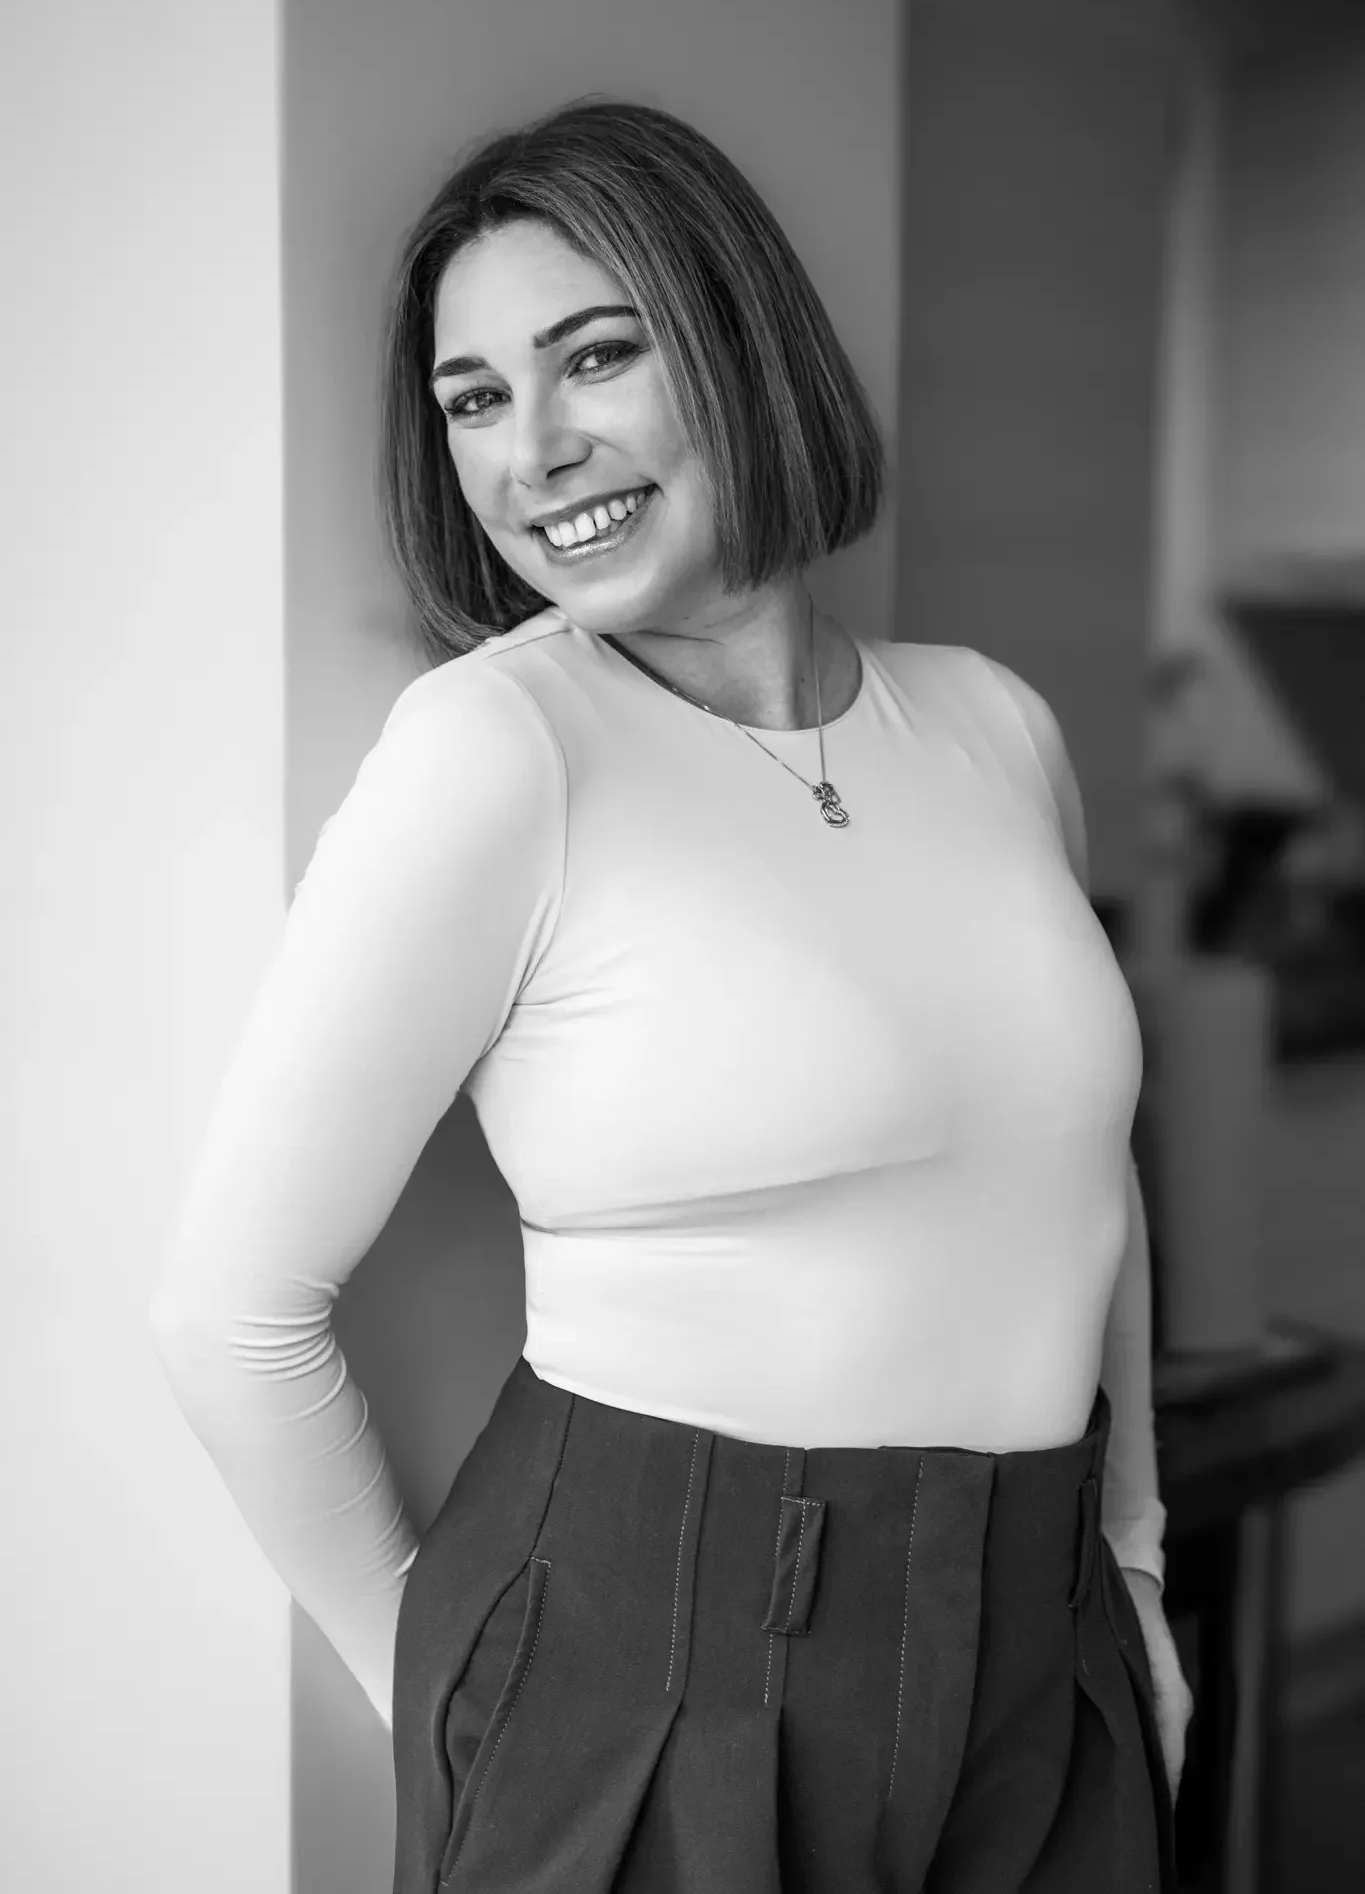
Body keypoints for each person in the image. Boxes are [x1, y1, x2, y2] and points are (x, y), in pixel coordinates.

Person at [150, 95, 1193, 1892]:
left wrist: (1141, 1568)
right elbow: (229, 1314)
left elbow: (1081, 1180)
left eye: (597, 357)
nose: (534, 449)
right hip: (654, 1670)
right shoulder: (501, 750)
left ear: (738, 342)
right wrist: (461, 1696)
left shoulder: (993, 725)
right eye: (475, 399)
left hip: (1050, 1640)